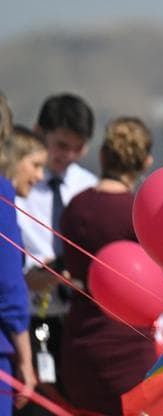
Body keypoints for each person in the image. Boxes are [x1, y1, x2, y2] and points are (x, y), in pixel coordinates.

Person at [57, 117, 156, 416]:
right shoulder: (140, 215)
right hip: (130, 352)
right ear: (146, 162)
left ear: (102, 155)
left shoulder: (75, 207)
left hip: (78, 346)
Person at [16, 93, 97, 385]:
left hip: (77, 319)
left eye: (78, 148)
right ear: (40, 133)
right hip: (28, 316)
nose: (69, 156)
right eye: (62, 146)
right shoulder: (19, 188)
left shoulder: (89, 187)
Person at [0, 125, 44, 413]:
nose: (39, 176)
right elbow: (8, 285)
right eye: (35, 165)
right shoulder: (3, 195)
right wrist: (26, 361)